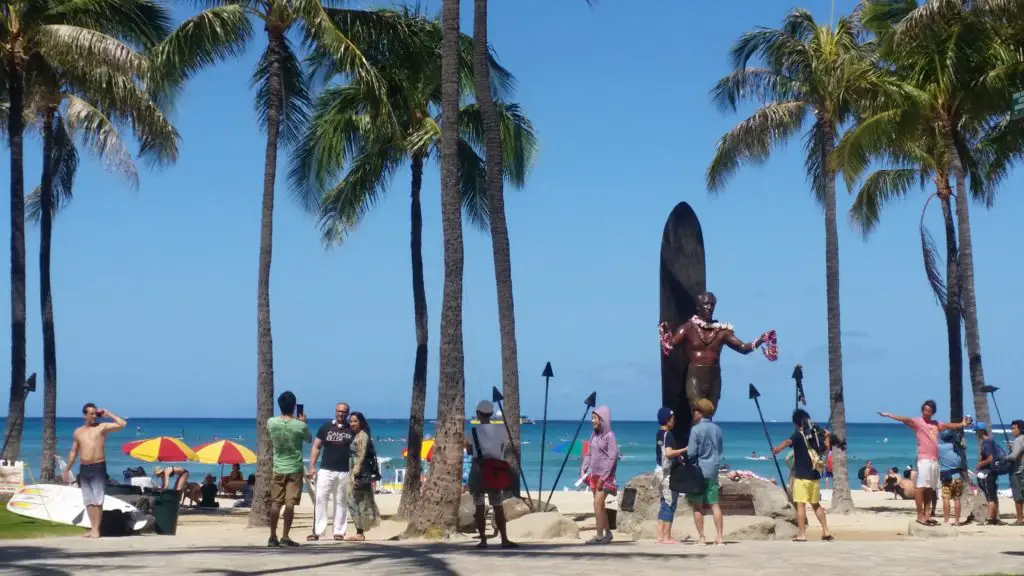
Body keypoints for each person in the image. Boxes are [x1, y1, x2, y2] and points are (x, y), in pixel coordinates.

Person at [661, 292, 772, 412]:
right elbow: (670, 346)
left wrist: (761, 340)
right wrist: (664, 334)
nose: (709, 307)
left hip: (714, 377)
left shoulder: (722, 331)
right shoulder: (688, 328)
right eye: (706, 304)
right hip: (695, 376)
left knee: (710, 413)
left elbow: (743, 348)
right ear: (698, 306)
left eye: (712, 304)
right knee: (697, 413)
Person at [878, 401, 972, 526]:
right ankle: (919, 515)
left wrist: (962, 424)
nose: (927, 413)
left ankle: (927, 515)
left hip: (934, 460)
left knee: (929, 489)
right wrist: (889, 415)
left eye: (930, 411)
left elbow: (948, 426)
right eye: (925, 410)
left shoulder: (935, 424)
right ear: (922, 410)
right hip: (924, 459)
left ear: (933, 412)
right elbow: (905, 419)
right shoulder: (918, 422)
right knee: (921, 487)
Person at [63, 403, 126, 538]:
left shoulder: (102, 427)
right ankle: (92, 528)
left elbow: (122, 424)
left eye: (95, 413)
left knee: (97, 499)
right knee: (88, 500)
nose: (94, 416)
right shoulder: (78, 431)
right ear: (84, 415)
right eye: (91, 413)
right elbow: (73, 451)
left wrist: (108, 414)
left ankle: (97, 529)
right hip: (84, 467)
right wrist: (67, 469)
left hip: (98, 466)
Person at [771, 409, 833, 542]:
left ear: (796, 423)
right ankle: (826, 531)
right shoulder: (815, 435)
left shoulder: (798, 434)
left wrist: (778, 449)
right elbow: (826, 449)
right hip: (814, 476)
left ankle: (802, 534)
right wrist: (827, 436)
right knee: (816, 505)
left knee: (800, 505)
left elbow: (788, 442)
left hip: (801, 477)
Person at [465, 400, 516, 549]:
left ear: (477, 414)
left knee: (479, 506)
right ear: (492, 414)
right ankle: (504, 539)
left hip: (478, 470)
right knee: (498, 505)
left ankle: (483, 540)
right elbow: (502, 447)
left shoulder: (471, 432)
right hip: (494, 471)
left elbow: (468, 451)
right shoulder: (501, 430)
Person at [267, 390, 311, 547]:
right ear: (294, 407)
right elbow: (308, 439)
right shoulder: (299, 425)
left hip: (278, 467)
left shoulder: (271, 422)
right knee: (290, 503)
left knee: (275, 503)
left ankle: (272, 536)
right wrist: (304, 422)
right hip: (294, 468)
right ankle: (285, 536)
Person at [307, 402, 354, 541]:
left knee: (341, 501)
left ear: (347, 413)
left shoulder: (351, 429)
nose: (340, 413)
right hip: (326, 470)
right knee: (321, 499)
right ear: (335, 411)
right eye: (338, 411)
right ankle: (317, 531)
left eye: (344, 411)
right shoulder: (326, 427)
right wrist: (311, 466)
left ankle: (339, 531)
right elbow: (316, 446)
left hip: (344, 471)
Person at [682, 398, 724, 546]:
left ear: (700, 413)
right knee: (715, 504)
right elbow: (719, 450)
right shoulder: (717, 429)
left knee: (698, 506)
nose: (693, 413)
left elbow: (691, 452)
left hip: (699, 470)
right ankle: (719, 538)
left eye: (695, 410)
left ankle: (702, 538)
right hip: (713, 469)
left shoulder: (696, 430)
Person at [581, 405, 618, 545]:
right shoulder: (594, 435)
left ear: (603, 419)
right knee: (600, 506)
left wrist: (603, 477)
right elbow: (589, 454)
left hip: (606, 477)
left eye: (595, 418)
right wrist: (583, 469)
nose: (592, 421)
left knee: (597, 503)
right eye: (592, 418)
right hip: (594, 475)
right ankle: (608, 534)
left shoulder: (610, 436)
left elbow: (612, 457)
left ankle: (599, 535)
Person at [346, 411, 381, 541]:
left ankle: (360, 532)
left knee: (353, 500)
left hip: (359, 472)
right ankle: (359, 531)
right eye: (351, 421)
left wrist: (355, 473)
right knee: (357, 501)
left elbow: (361, 455)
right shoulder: (357, 434)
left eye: (355, 421)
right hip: (356, 471)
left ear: (361, 422)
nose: (352, 423)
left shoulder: (362, 435)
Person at [655, 407, 684, 544]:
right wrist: (684, 449)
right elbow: (668, 453)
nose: (674, 421)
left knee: (663, 503)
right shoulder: (669, 435)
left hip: (658, 471)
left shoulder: (659, 434)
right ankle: (666, 536)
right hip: (667, 473)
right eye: (672, 419)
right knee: (670, 503)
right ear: (668, 420)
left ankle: (660, 535)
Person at [938, 431, 965, 526]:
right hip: (958, 476)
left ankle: (947, 520)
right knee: (957, 499)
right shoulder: (958, 447)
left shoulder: (941, 448)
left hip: (947, 477)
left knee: (946, 498)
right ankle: (957, 521)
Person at [976, 426, 1002, 525]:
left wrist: (980, 464)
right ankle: (995, 518)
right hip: (992, 472)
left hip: (987, 473)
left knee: (990, 497)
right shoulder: (991, 441)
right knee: (993, 496)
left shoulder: (986, 443)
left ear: (981, 431)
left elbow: (990, 458)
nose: (976, 434)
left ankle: (990, 519)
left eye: (977, 431)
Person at [1010, 420, 1024, 525]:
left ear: (1020, 429)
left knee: (1017, 496)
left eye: (1014, 428)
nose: (1012, 431)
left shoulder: (1018, 440)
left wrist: (1003, 458)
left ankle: (1019, 519)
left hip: (1018, 471)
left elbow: (1013, 456)